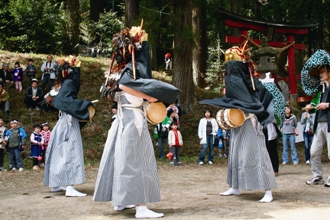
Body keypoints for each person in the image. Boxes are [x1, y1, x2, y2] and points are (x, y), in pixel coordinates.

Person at [93, 26, 180, 219]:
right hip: (132, 119)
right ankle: (141, 207)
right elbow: (124, 85)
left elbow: (116, 93)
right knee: (137, 161)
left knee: (123, 160)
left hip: (123, 118)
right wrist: (148, 98)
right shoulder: (131, 69)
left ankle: (121, 200)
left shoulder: (122, 69)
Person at [199, 60, 277, 202]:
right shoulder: (231, 87)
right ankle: (235, 186)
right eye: (228, 73)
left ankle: (268, 191)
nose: (230, 76)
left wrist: (254, 110)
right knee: (235, 154)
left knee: (259, 155)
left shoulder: (254, 84)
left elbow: (265, 102)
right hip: (237, 124)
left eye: (233, 73)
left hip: (252, 124)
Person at [43, 56, 95, 196]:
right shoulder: (70, 82)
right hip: (68, 121)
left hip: (62, 121)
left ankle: (55, 183)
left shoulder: (62, 84)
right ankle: (70, 187)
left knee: (57, 152)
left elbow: (55, 100)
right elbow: (66, 101)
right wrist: (85, 105)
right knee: (71, 151)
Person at [306, 64, 330, 186]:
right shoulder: (321, 89)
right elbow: (315, 104)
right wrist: (310, 108)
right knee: (314, 151)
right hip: (319, 123)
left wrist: (328, 104)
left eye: (323, 72)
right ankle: (317, 176)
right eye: (320, 73)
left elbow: (326, 104)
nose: (321, 75)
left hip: (329, 122)